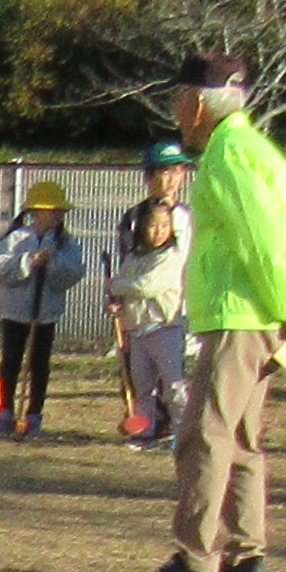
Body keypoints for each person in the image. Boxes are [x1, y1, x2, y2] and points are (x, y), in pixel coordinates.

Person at [131, 50, 286, 572]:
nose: (175, 110)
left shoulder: (227, 156)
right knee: (241, 436)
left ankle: (196, 560)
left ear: (194, 104)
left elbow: (263, 240)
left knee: (203, 434)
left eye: (177, 99)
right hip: (264, 310)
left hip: (243, 314)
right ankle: (246, 557)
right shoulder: (258, 150)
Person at [105, 150, 191, 446]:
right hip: (138, 320)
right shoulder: (134, 217)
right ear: (149, 177)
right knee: (141, 381)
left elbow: (151, 281)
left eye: (177, 172)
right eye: (164, 173)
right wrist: (116, 293)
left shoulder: (189, 216)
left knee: (175, 381)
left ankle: (181, 432)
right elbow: (126, 261)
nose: (171, 180)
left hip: (173, 314)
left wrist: (119, 285)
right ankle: (145, 428)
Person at [0, 175, 86, 436]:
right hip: (15, 312)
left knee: (40, 364)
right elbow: (0, 268)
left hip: (46, 314)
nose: (56, 215)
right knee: (10, 361)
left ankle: (34, 414)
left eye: (59, 211)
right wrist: (28, 261)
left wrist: (53, 263)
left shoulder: (66, 243)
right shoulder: (17, 238)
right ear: (35, 211)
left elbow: (74, 273)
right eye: (51, 211)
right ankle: (6, 410)